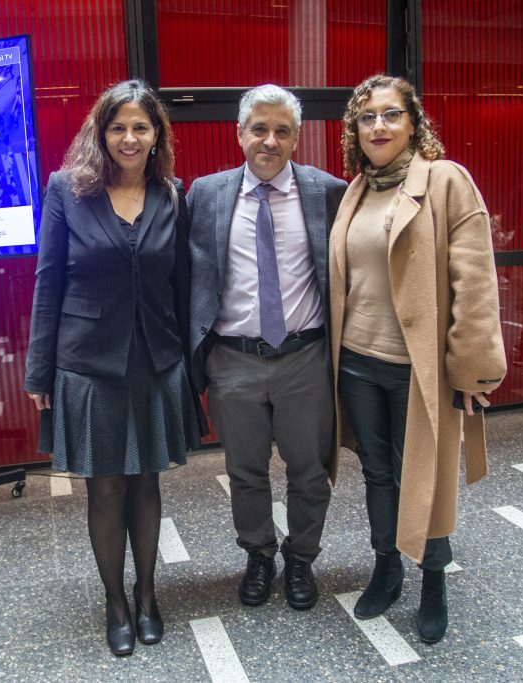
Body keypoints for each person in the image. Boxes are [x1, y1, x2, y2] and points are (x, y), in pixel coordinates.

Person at [24, 80, 201, 656]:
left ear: (156, 135)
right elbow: (48, 281)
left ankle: (147, 595)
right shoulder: (66, 190)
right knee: (105, 488)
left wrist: (191, 366)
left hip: (155, 360)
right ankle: (116, 603)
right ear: (100, 134)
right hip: (88, 363)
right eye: (118, 127)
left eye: (140, 127)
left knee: (146, 480)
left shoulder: (172, 193)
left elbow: (181, 286)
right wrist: (39, 371)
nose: (129, 138)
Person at [329, 74, 506, 644]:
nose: (378, 126)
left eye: (391, 114)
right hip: (356, 361)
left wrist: (472, 368)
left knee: (423, 475)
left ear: (413, 123)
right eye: (367, 117)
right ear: (355, 130)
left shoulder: (446, 180)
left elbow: (474, 282)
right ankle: (387, 568)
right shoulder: (357, 190)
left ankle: (433, 579)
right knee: (377, 473)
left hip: (417, 369)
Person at [188, 85, 347, 610]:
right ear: (240, 134)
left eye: (282, 131)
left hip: (306, 358)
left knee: (310, 472)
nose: (270, 141)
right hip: (233, 361)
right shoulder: (206, 194)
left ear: (297, 138)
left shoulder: (328, 192)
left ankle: (301, 559)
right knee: (245, 472)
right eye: (259, 129)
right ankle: (259, 555)